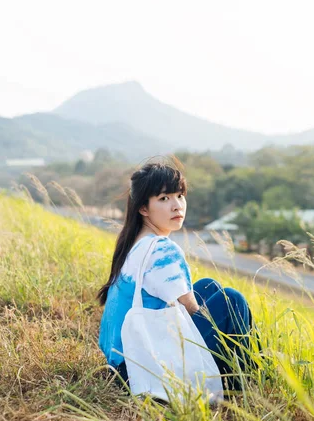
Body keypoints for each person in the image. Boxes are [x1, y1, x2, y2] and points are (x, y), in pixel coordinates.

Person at [97, 158, 261, 393]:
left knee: (207, 286)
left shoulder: (134, 244)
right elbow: (193, 311)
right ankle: (245, 381)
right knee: (231, 300)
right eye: (164, 199)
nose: (177, 206)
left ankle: (246, 372)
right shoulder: (161, 250)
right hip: (145, 368)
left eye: (179, 196)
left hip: (124, 364)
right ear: (143, 208)